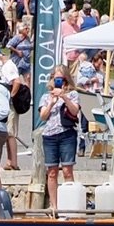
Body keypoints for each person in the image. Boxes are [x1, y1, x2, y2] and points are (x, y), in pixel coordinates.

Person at [39, 72, 81, 207]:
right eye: (55, 79)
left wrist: (64, 97)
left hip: (67, 134)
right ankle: (54, 206)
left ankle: (70, 204)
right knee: (52, 172)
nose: (58, 82)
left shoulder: (73, 94)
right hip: (50, 135)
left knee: (68, 170)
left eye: (61, 79)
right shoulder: (46, 96)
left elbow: (75, 111)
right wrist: (51, 103)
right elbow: (43, 117)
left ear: (66, 80)